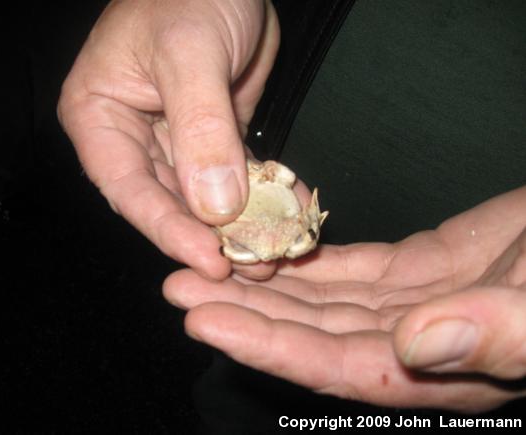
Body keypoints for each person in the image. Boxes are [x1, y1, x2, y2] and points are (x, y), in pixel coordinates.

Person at [58, 0, 526, 413]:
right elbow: (270, 185)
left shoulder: (300, 229)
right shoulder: (272, 189)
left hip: (369, 218)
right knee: (245, 356)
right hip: (273, 141)